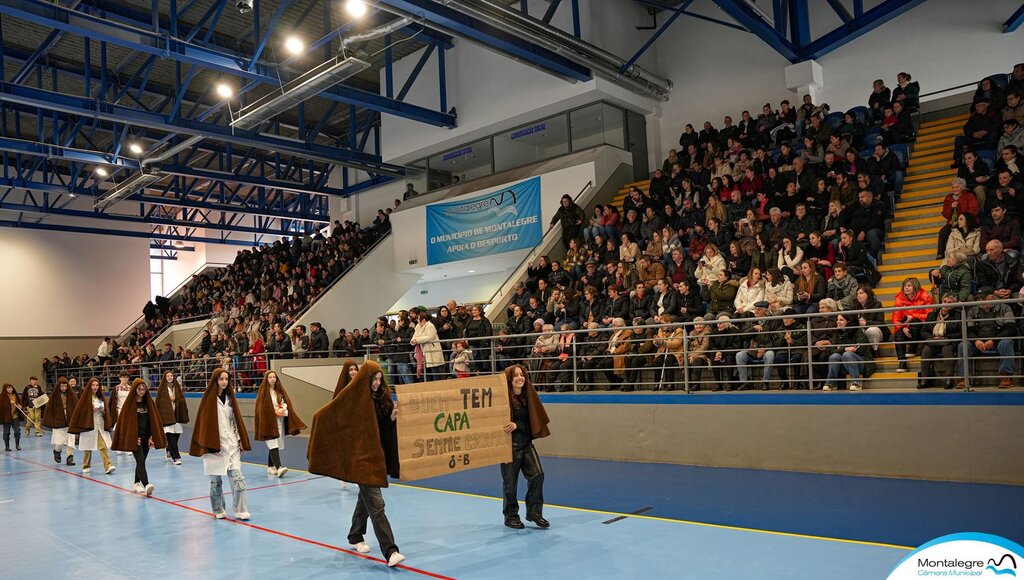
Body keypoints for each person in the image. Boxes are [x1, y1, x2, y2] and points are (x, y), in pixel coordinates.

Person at [307, 361, 406, 567]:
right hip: (360, 458)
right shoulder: (352, 398)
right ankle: (390, 550)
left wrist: (391, 418)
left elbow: (381, 427)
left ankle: (355, 535)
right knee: (377, 505)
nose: (378, 383)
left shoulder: (381, 398)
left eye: (380, 379)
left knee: (365, 498)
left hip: (374, 456)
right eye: (374, 379)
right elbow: (325, 416)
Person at [190, 368, 252, 520]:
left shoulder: (230, 398)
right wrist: (210, 445)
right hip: (214, 447)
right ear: (215, 381)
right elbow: (204, 425)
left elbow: (235, 421)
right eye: (221, 379)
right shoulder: (208, 400)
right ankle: (218, 509)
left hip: (231, 443)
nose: (224, 382)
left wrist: (240, 440)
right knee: (215, 481)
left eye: (226, 379)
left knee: (238, 477)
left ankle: (241, 509)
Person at [500, 364, 551, 529]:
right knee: (510, 483)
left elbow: (534, 423)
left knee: (538, 475)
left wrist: (517, 425)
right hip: (509, 446)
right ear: (510, 379)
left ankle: (534, 513)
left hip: (526, 443)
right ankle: (510, 516)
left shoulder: (529, 396)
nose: (519, 378)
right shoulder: (503, 399)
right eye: (516, 375)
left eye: (522, 375)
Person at [112, 378, 166, 496]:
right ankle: (147, 484)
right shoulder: (129, 404)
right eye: (139, 389)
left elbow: (153, 420)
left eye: (144, 389)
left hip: (146, 437)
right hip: (135, 438)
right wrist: (132, 437)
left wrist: (152, 436)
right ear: (135, 390)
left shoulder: (148, 403)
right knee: (140, 460)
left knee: (141, 461)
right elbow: (125, 423)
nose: (142, 391)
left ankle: (136, 483)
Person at [955, 294, 1016, 389]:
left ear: (992, 298)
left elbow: (1011, 328)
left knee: (1006, 342)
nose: (981, 301)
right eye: (979, 298)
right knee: (963, 345)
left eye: (984, 298)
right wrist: (976, 340)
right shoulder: (972, 311)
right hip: (978, 342)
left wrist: (994, 341)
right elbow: (969, 330)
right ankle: (964, 378)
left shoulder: (1005, 308)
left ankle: (1006, 376)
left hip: (998, 340)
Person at [255, 370, 307, 478]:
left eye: (274, 377)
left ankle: (270, 466)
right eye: (270, 377)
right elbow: (261, 408)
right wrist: (272, 413)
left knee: (275, 444)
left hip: (279, 422)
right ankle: (279, 468)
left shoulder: (279, 392)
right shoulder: (264, 392)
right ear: (266, 379)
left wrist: (283, 409)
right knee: (273, 443)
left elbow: (284, 403)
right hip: (268, 423)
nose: (272, 379)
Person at [68, 377, 116, 475]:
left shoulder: (100, 398)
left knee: (103, 445)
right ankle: (86, 465)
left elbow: (105, 411)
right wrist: (91, 410)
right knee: (88, 446)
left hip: (99, 424)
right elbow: (81, 411)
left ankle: (108, 465)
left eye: (97, 385)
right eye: (93, 385)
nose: (95, 387)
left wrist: (103, 410)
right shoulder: (85, 398)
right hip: (89, 425)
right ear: (89, 386)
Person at [919, 293, 963, 390]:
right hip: (933, 341)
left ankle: (949, 379)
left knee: (947, 349)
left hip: (948, 341)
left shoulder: (958, 315)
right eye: (944, 301)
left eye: (949, 302)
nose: (946, 304)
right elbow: (923, 331)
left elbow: (960, 332)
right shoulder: (932, 314)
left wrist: (946, 337)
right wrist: (931, 338)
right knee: (926, 350)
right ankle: (924, 379)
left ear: (954, 304)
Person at [822, 313, 873, 392]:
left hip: (862, 362)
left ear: (848, 322)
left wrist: (841, 349)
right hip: (845, 363)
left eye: (841, 320)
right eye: (837, 320)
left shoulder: (858, 331)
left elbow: (860, 349)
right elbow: (832, 350)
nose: (838, 322)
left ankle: (856, 383)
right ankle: (830, 384)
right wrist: (845, 349)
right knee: (834, 356)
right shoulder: (836, 333)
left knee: (847, 355)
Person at [892, 277, 933, 373]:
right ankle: (902, 363)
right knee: (898, 334)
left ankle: (913, 348)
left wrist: (913, 316)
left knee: (915, 321)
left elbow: (929, 315)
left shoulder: (925, 296)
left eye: (909, 285)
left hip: (921, 328)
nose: (906, 288)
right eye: (905, 286)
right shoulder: (899, 298)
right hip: (906, 328)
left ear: (915, 286)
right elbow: (896, 318)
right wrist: (902, 328)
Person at [42, 377, 77, 464]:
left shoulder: (72, 395)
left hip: (70, 420)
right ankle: (57, 451)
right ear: (58, 386)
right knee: (60, 441)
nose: (64, 388)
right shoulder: (54, 396)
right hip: (59, 420)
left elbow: (77, 406)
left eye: (65, 386)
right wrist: (49, 421)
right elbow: (49, 409)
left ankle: (70, 457)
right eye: (62, 386)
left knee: (71, 439)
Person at [411, 309, 445, 381]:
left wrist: (417, 340)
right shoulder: (418, 327)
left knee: (434, 371)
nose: (417, 320)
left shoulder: (430, 326)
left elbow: (429, 337)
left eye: (418, 319)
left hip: (432, 351)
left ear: (423, 320)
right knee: (427, 372)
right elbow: (415, 336)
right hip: (424, 352)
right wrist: (413, 341)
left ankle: (437, 387)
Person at [108, 371, 132, 454]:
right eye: (123, 377)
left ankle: (128, 447)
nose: (125, 379)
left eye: (126, 377)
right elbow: (112, 401)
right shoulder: (116, 388)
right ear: (120, 378)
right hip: (118, 410)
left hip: (128, 411)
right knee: (119, 429)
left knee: (127, 429)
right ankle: (119, 447)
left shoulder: (130, 388)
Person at [1, 383, 23, 451]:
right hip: (7, 418)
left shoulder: (15, 395)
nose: (10, 389)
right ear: (5, 389)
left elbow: (19, 403)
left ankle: (17, 445)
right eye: (8, 388)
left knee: (17, 431)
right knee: (6, 432)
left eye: (11, 388)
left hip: (15, 416)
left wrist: (19, 406)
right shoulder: (2, 397)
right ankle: (7, 446)